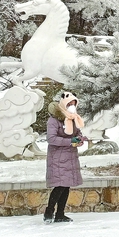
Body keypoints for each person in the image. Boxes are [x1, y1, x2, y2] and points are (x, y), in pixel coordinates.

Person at [44, 91, 86, 223]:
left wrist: (79, 139)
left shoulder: (73, 118)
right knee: (60, 185)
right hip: (58, 157)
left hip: (70, 156)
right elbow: (51, 138)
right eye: (69, 103)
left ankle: (60, 214)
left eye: (74, 103)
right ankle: (49, 211)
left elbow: (78, 132)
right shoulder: (54, 120)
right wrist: (70, 141)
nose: (72, 106)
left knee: (66, 185)